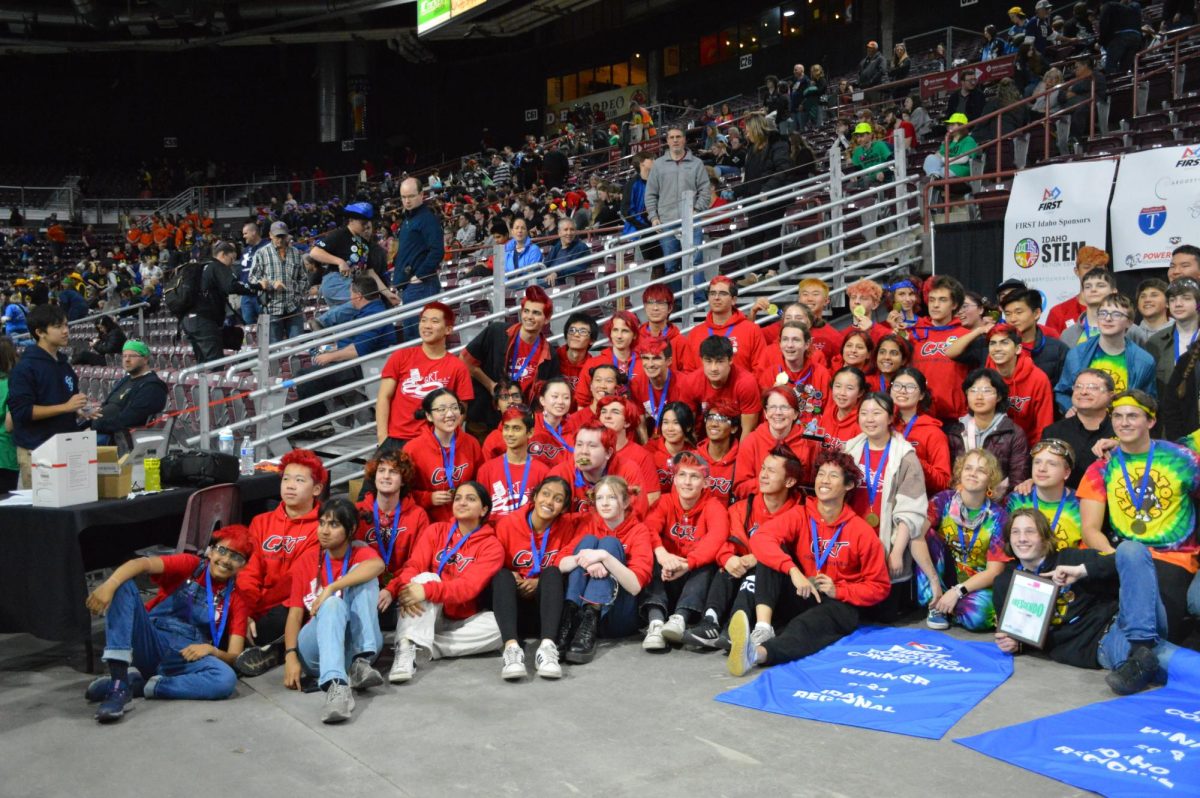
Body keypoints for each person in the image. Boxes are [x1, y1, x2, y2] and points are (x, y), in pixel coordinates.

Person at [726, 449, 891, 676]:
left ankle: (757, 654)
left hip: (839, 603)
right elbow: (761, 538)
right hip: (805, 589)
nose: (824, 480)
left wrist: (839, 590)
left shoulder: (861, 531)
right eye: (821, 474)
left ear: (849, 485)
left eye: (833, 476)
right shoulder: (802, 513)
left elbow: (880, 587)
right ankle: (762, 629)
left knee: (806, 626)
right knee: (771, 556)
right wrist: (792, 570)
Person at [993, 509, 1179, 696]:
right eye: (1015, 532)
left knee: (1131, 549)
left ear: (1044, 536)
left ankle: (1140, 651)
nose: (1022, 538)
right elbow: (1017, 634)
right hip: (1106, 643)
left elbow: (1128, 561)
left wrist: (1082, 571)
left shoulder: (1071, 558)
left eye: (1030, 531)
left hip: (1131, 618)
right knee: (1181, 665)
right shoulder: (1005, 583)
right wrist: (1014, 644)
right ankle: (1141, 655)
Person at [83, 525, 257, 723]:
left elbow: (234, 656)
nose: (226, 560)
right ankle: (118, 686)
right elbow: (141, 564)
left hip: (184, 657)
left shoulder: (238, 600)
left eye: (236, 557)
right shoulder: (190, 565)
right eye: (223, 551)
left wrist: (212, 650)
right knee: (124, 582)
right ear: (211, 550)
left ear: (243, 565)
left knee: (225, 679)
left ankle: (145, 685)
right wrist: (110, 584)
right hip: (151, 639)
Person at [1077, 390, 1199, 643]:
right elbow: (1089, 529)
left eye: (1133, 416)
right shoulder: (1102, 466)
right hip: (1124, 555)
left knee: (1164, 629)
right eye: (1118, 416)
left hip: (1174, 557)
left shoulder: (1181, 459)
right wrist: (1119, 560)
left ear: (1151, 421)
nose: (1124, 422)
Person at [387, 481, 505, 683]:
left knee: (499, 627)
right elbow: (414, 565)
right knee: (425, 577)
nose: (462, 503)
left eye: (470, 499)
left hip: (463, 617)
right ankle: (406, 650)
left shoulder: (491, 546)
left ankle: (422, 645)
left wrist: (427, 590)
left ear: (484, 509)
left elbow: (468, 587)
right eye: (458, 498)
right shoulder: (436, 531)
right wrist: (408, 589)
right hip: (430, 612)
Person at [681, 447, 800, 647]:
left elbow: (796, 553)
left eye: (771, 471)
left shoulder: (799, 513)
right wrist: (727, 557)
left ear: (789, 481)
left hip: (780, 589)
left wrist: (758, 556)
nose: (763, 475)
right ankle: (710, 620)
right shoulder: (741, 507)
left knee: (763, 564)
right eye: (763, 468)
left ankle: (735, 627)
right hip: (740, 574)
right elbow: (724, 539)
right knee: (724, 565)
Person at [280, 498, 385, 724]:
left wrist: (333, 586)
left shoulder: (360, 553)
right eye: (322, 523)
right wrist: (290, 656)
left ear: (351, 529)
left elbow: (378, 566)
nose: (325, 531)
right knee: (333, 604)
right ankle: (335, 687)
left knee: (364, 577)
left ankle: (360, 663)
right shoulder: (307, 560)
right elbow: (295, 615)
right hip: (317, 650)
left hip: (357, 647)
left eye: (334, 525)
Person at [233, 450, 326, 677]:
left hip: (292, 604)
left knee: (291, 616)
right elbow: (249, 571)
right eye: (286, 479)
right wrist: (247, 611)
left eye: (299, 480)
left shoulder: (322, 526)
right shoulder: (261, 522)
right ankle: (272, 647)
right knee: (228, 612)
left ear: (316, 489)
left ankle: (271, 647)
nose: (290, 485)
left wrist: (259, 610)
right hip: (259, 602)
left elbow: (296, 579)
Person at [844, 392, 932, 618]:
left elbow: (910, 511)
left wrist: (897, 551)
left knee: (882, 616)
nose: (869, 419)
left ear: (891, 418)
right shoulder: (848, 451)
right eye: (864, 413)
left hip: (888, 544)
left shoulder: (905, 457)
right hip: (853, 545)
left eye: (876, 413)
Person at [555, 476, 654, 664]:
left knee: (609, 544)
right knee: (587, 543)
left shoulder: (638, 530)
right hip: (579, 616)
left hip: (617, 616)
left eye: (612, 498)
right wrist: (584, 559)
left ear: (625, 502)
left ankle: (591, 619)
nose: (605, 503)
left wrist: (604, 557)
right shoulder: (589, 526)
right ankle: (567, 622)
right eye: (600, 498)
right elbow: (560, 564)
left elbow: (634, 586)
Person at [491, 476, 578, 680]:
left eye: (557, 499)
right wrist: (508, 571)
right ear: (535, 496)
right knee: (501, 575)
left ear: (564, 508)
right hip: (510, 610)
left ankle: (547, 648)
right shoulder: (507, 524)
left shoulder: (568, 527)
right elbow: (492, 559)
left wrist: (537, 582)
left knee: (553, 572)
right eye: (545, 494)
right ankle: (511, 650)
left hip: (545, 611)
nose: (548, 502)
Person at [641, 451, 729, 649]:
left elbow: (717, 538)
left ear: (705, 483)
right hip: (665, 574)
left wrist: (688, 563)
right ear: (674, 479)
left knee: (709, 561)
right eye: (682, 475)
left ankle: (680, 618)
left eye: (694, 476)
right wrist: (662, 554)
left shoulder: (714, 507)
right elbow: (648, 528)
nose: (687, 482)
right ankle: (655, 622)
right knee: (649, 553)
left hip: (693, 581)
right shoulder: (664, 502)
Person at [290, 277, 396, 434]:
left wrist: (329, 357)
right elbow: (348, 344)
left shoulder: (374, 315)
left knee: (307, 375)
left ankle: (314, 423)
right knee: (309, 367)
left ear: (358, 296)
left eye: (351, 293)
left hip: (364, 367)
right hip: (354, 362)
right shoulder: (366, 311)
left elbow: (357, 350)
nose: (349, 297)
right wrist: (327, 350)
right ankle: (316, 422)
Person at [920, 449, 1010, 631]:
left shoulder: (999, 516)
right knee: (925, 534)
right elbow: (916, 537)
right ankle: (937, 601)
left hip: (973, 585)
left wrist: (957, 591)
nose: (973, 473)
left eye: (981, 470)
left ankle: (944, 606)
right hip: (941, 577)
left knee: (979, 615)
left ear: (990, 480)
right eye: (968, 468)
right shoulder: (942, 500)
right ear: (960, 472)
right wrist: (935, 583)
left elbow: (994, 572)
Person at [6, 303, 92, 488]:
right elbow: (22, 412)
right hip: (37, 450)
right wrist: (66, 407)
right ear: (40, 332)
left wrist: (79, 410)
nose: (65, 331)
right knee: (44, 514)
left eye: (66, 325)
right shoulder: (25, 368)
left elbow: (64, 401)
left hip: (67, 446)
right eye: (58, 326)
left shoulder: (64, 365)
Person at [375, 302, 473, 451]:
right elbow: (384, 398)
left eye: (434, 321)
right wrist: (383, 439)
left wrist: (444, 441)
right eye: (423, 320)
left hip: (432, 443)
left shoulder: (457, 367)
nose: (427, 325)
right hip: (396, 441)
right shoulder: (400, 357)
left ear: (448, 329)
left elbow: (461, 411)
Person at [464, 286, 558, 429]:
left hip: (521, 424)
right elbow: (465, 360)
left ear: (547, 319)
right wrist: (490, 385)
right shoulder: (497, 332)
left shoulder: (550, 353)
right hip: (484, 418)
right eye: (526, 311)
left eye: (536, 313)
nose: (529, 317)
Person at [354, 448, 428, 618]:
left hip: (401, 586)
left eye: (393, 472)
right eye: (381, 471)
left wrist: (392, 588)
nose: (386, 476)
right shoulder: (357, 512)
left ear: (403, 480)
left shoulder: (417, 515)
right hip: (364, 587)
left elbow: (417, 562)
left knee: (425, 579)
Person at [1055, 292, 1157, 412]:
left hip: (1124, 425)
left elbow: (1150, 401)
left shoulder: (1144, 360)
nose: (1108, 318)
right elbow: (1062, 392)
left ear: (1130, 322)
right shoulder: (1077, 354)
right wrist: (1070, 409)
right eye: (1103, 313)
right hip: (1085, 423)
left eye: (1116, 314)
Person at [945, 367, 1030, 493]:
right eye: (973, 390)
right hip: (961, 497)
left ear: (999, 396)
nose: (979, 396)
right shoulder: (956, 431)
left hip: (999, 501)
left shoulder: (1014, 433)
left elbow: (1017, 480)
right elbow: (950, 476)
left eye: (986, 391)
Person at [406, 388, 484, 524]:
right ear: (429, 416)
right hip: (429, 524)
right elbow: (403, 493)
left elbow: (481, 483)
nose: (449, 414)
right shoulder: (413, 449)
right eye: (441, 409)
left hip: (466, 522)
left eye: (454, 408)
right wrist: (428, 498)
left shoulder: (471, 443)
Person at [645, 127, 711, 285]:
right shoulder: (658, 165)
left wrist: (696, 210)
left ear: (684, 140)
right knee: (671, 266)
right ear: (667, 141)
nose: (675, 140)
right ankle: (676, 306)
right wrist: (653, 217)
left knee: (695, 262)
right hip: (667, 222)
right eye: (672, 137)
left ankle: (699, 301)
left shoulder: (697, 163)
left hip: (692, 221)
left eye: (678, 136)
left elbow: (705, 190)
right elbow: (650, 194)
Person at [733, 114, 793, 284]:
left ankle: (772, 271)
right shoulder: (751, 149)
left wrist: (768, 189)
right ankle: (755, 273)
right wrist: (736, 191)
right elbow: (750, 178)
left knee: (771, 232)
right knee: (753, 235)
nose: (746, 133)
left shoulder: (777, 143)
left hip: (772, 197)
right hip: (754, 198)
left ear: (757, 129)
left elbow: (783, 168)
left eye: (748, 130)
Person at [550, 422, 648, 516]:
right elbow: (550, 519)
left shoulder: (627, 470)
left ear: (608, 453)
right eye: (579, 445)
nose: (583, 452)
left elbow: (635, 515)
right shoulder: (560, 474)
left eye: (592, 446)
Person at [181, 241, 255, 365]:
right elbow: (231, 286)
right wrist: (256, 287)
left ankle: (204, 384)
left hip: (188, 321)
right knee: (215, 363)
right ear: (222, 254)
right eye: (231, 259)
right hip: (204, 321)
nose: (232, 263)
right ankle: (213, 382)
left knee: (202, 363)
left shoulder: (199, 267)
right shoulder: (216, 266)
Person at [982, 324, 1054, 447]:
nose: (997, 348)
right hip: (991, 447)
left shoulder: (1038, 378)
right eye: (993, 343)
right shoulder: (983, 378)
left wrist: (1037, 453)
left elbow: (1044, 424)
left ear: (1018, 349)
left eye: (1004, 343)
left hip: (1027, 447)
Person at [1042, 369, 1115, 489]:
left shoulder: (1121, 432)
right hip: (1065, 503)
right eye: (1078, 387)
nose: (1083, 392)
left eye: (1093, 387)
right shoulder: (1053, 432)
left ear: (1110, 395)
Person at [735, 386, 814, 497]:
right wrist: (773, 484)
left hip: (795, 506)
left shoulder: (809, 443)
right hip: (758, 505)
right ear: (765, 413)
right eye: (772, 407)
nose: (778, 412)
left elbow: (811, 488)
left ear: (796, 414)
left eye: (784, 407)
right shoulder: (751, 441)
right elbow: (740, 488)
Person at [1006, 438, 1082, 550]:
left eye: (1051, 464)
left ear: (1066, 473)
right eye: (1037, 462)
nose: (1041, 469)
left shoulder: (1080, 505)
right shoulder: (1016, 500)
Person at [679, 335, 760, 438]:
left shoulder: (746, 383)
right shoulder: (691, 382)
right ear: (701, 360)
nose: (714, 368)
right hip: (703, 443)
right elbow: (687, 430)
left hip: (737, 442)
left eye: (720, 361)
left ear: (730, 359)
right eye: (708, 361)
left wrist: (739, 454)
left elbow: (748, 432)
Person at [477, 406, 551, 519]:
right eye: (506, 428)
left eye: (516, 428)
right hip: (494, 534)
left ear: (530, 432)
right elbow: (479, 513)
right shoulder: (486, 470)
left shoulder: (543, 472)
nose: (509, 434)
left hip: (527, 534)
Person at [90, 340, 167, 446]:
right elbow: (106, 405)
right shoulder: (126, 379)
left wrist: (96, 426)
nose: (126, 360)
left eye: (132, 356)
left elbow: (131, 419)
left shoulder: (152, 386)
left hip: (118, 438)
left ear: (145, 359)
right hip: (100, 430)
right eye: (124, 356)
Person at [683, 276, 766, 375]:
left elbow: (760, 370)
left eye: (722, 293)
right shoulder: (695, 333)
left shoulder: (752, 330)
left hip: (741, 390)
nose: (716, 298)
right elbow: (689, 373)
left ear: (733, 300)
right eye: (712, 293)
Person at [890, 366, 951, 495]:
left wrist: (914, 461)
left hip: (915, 501)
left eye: (910, 387)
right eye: (897, 385)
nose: (902, 391)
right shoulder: (881, 426)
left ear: (922, 395)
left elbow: (944, 482)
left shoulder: (933, 433)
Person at [762, 320, 830, 429]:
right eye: (785, 339)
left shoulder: (821, 374)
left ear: (807, 344)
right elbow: (765, 417)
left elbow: (828, 414)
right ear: (779, 344)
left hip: (811, 437)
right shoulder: (770, 374)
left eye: (796, 340)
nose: (789, 345)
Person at [248, 221, 306, 344]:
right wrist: (271, 284)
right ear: (270, 235)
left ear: (287, 236)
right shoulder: (261, 253)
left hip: (294, 307)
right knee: (273, 350)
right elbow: (252, 279)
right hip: (271, 308)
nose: (279, 239)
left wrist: (298, 293)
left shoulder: (296, 253)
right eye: (277, 236)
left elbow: (304, 278)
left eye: (282, 236)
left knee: (298, 348)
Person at [573, 310, 644, 407]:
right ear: (610, 333)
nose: (619, 336)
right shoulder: (594, 363)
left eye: (625, 331)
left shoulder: (644, 364)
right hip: (600, 420)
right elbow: (582, 403)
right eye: (615, 330)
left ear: (635, 335)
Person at [1000, 288, 1068, 386]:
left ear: (1036, 313)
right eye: (1008, 314)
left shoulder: (1058, 349)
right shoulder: (997, 347)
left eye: (1019, 312)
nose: (1012, 319)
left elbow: (1064, 389)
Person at [1147, 278, 1200, 395]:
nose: (1178, 304)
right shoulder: (1155, 342)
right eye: (1172, 300)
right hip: (1168, 410)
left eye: (1186, 298)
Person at [1045, 246, 1110, 335]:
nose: (1093, 272)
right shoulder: (1058, 313)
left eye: (1098, 267)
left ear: (1105, 271)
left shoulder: (1118, 311)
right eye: (1087, 267)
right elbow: (1051, 347)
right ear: (1077, 271)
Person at [629, 337, 683, 436]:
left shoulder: (683, 383)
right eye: (645, 358)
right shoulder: (636, 384)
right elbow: (640, 424)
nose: (650, 364)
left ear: (669, 361)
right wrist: (646, 449)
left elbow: (685, 424)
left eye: (656, 358)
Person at [645, 401, 695, 493]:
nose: (670, 428)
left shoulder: (694, 455)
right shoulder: (648, 451)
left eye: (676, 423)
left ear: (688, 426)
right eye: (665, 422)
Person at [697, 402, 741, 502]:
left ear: (734, 428)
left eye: (722, 419)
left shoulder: (742, 459)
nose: (714, 424)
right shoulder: (694, 457)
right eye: (710, 418)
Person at [817, 366, 866, 451]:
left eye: (849, 388)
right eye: (838, 386)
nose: (842, 393)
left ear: (860, 392)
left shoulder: (862, 422)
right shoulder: (828, 413)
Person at [1099, 0, 1145, 76]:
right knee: (1124, 68)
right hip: (1136, 37)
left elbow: (1103, 24)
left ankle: (1114, 86)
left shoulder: (1108, 6)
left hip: (1121, 37)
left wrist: (1101, 42)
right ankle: (1123, 84)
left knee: (1111, 66)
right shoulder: (1129, 9)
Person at [541, 217, 590, 288]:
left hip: (562, 283)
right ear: (559, 233)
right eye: (566, 230)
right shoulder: (557, 247)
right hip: (547, 279)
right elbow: (545, 264)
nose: (569, 233)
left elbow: (578, 268)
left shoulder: (581, 247)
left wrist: (557, 273)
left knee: (528, 286)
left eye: (572, 229)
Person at [238, 221, 269, 324]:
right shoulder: (245, 250)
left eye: (245, 233)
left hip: (261, 293)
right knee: (248, 327)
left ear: (254, 232)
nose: (243, 236)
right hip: (246, 295)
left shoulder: (267, 246)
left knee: (266, 325)